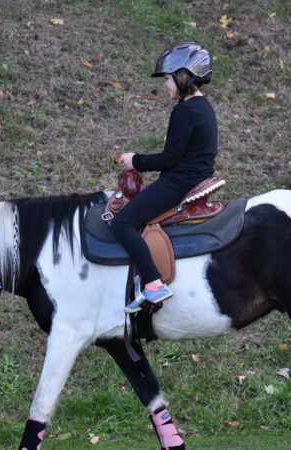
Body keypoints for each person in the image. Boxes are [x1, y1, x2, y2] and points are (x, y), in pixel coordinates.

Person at [113, 42, 218, 313]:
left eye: (169, 79)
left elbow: (169, 159)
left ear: (184, 77)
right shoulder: (203, 107)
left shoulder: (185, 110)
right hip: (192, 177)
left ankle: (153, 283)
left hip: (178, 182)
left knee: (123, 222)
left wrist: (134, 160)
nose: (166, 85)